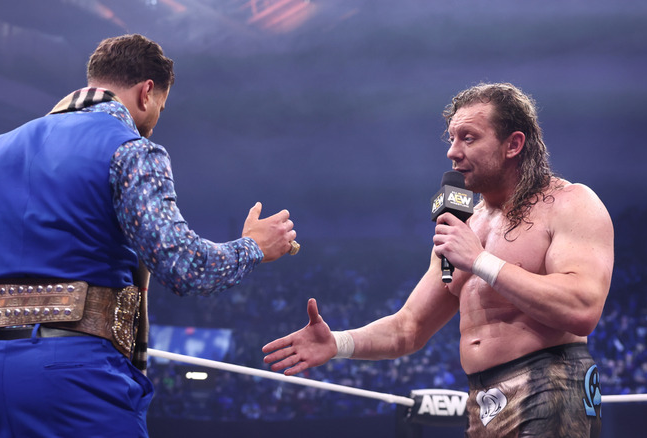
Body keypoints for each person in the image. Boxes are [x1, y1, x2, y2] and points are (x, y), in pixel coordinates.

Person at [0, 33, 298, 438]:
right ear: (146, 92)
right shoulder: (131, 150)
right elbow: (186, 269)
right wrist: (253, 246)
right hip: (79, 381)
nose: (154, 120)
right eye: (160, 107)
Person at [263, 82, 613, 437]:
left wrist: (480, 260)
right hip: (482, 401)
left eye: (468, 138)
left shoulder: (568, 204)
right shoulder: (463, 225)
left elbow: (582, 308)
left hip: (552, 386)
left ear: (513, 144)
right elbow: (408, 328)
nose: (452, 152)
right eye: (452, 138)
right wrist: (338, 343)